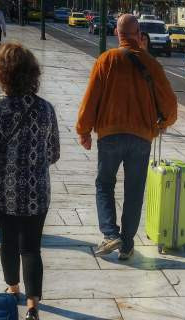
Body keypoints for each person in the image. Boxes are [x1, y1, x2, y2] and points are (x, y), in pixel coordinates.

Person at [76, 14, 177, 260]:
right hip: (141, 137)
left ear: (117, 33)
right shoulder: (152, 63)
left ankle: (111, 234)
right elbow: (171, 105)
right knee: (134, 190)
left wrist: (83, 130)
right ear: (138, 33)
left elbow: (91, 100)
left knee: (104, 184)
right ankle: (128, 244)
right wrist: (161, 124)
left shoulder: (106, 60)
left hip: (110, 134)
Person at [0, 42, 60, 320]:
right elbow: (53, 153)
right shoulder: (46, 109)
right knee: (31, 246)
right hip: (37, 191)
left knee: (8, 242)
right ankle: (33, 306)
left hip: (4, 193)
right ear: (32, 73)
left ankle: (13, 289)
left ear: (1, 74)